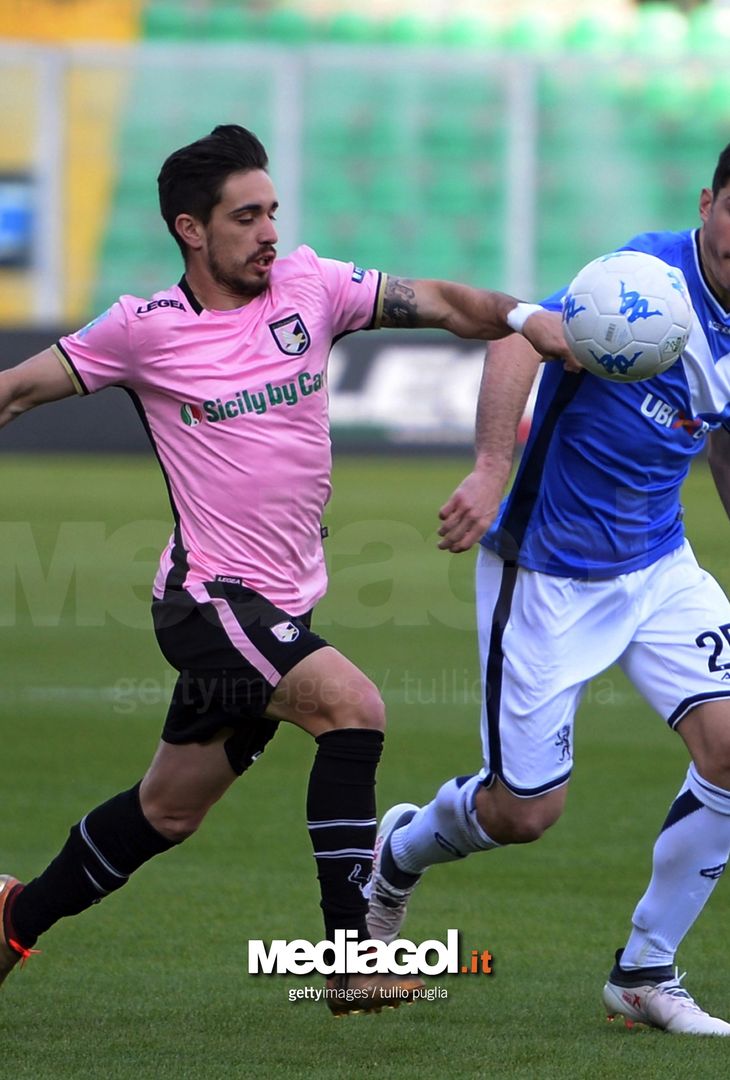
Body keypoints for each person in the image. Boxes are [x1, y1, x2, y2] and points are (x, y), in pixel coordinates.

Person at [0, 124, 570, 1017]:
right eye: (247, 216)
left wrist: (525, 319)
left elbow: (448, 304)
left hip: (279, 607)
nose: (270, 230)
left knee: (166, 813)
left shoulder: (311, 285)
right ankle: (351, 956)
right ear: (192, 230)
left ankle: (12, 919)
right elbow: (14, 390)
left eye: (273, 211)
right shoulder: (141, 331)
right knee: (354, 709)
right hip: (208, 602)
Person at [367, 141, 730, 1035]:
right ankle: (399, 849)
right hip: (547, 574)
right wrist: (492, 467)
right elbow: (520, 338)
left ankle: (644, 973)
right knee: (524, 813)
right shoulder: (643, 279)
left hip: (659, 567)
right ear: (709, 201)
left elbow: (718, 428)